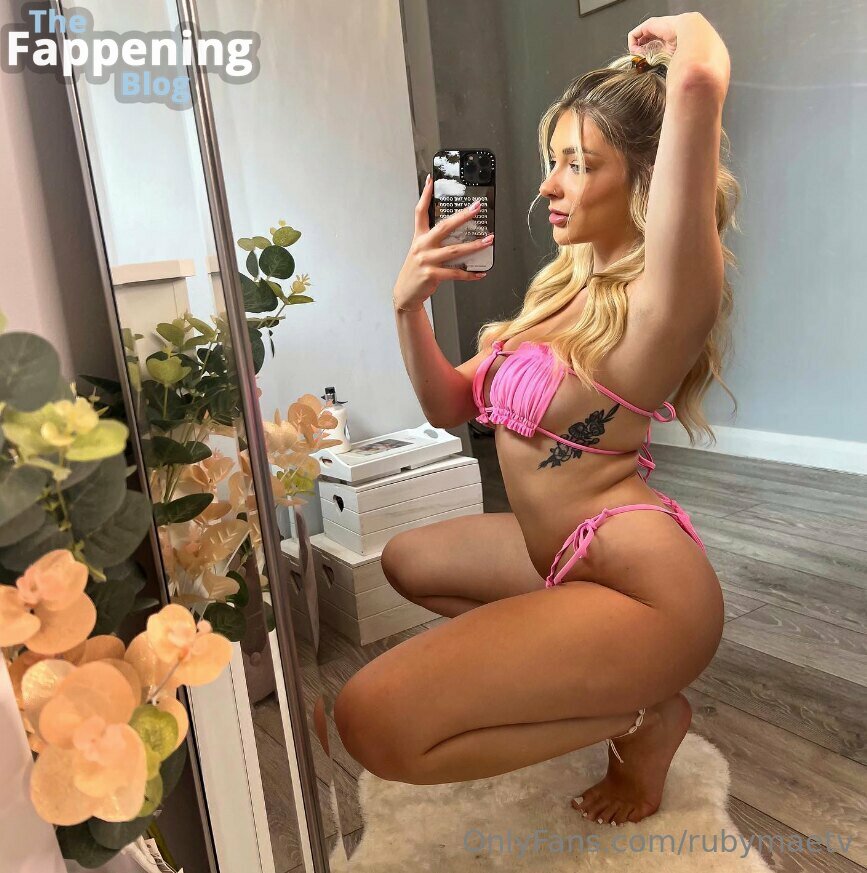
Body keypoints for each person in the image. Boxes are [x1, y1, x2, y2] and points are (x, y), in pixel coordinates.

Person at [333, 12, 738, 828]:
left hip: (649, 591)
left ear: (645, 183)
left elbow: (695, 77)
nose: (548, 185)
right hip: (560, 557)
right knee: (407, 558)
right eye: (552, 161)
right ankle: (584, 667)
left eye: (578, 165)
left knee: (370, 722)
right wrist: (408, 307)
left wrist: (682, 28)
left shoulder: (663, 302)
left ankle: (641, 712)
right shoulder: (562, 292)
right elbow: (447, 405)